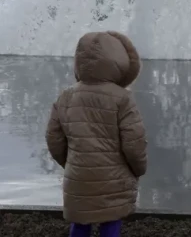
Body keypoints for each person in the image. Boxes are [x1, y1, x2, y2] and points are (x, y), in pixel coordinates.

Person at [45, 31, 148, 237]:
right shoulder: (122, 99)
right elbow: (133, 142)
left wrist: (71, 163)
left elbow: (53, 138)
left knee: (80, 222)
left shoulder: (66, 97)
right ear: (119, 62)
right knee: (111, 221)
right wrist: (138, 168)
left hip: (78, 175)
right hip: (114, 178)